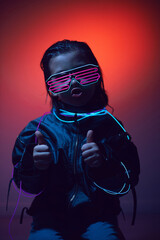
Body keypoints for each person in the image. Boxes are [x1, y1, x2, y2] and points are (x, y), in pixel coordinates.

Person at [12, 40, 140, 240]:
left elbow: (129, 180)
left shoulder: (111, 127)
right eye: (61, 79)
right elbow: (25, 185)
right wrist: (35, 164)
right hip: (48, 216)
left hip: (99, 216)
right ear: (51, 88)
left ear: (97, 76)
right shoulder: (36, 131)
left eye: (83, 73)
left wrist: (102, 163)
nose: (74, 83)